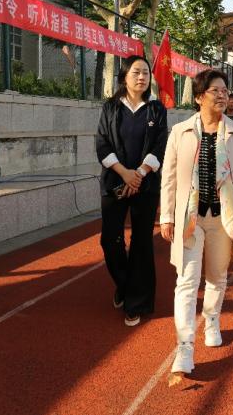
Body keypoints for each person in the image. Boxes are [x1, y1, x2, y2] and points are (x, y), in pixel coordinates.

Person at [160, 68, 233, 376]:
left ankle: (212, 319)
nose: (223, 95)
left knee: (217, 276)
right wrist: (166, 216)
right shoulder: (180, 132)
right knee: (186, 281)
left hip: (223, 218)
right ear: (200, 97)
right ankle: (185, 346)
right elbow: (169, 176)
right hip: (190, 218)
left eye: (225, 91)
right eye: (216, 91)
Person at [96, 55, 168, 327]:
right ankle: (125, 284)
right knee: (110, 240)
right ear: (124, 76)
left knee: (141, 242)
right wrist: (124, 173)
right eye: (136, 72)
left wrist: (139, 174)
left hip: (145, 185)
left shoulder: (156, 109)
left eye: (146, 73)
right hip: (114, 182)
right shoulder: (111, 107)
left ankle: (136, 302)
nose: (141, 77)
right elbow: (102, 143)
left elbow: (160, 145)